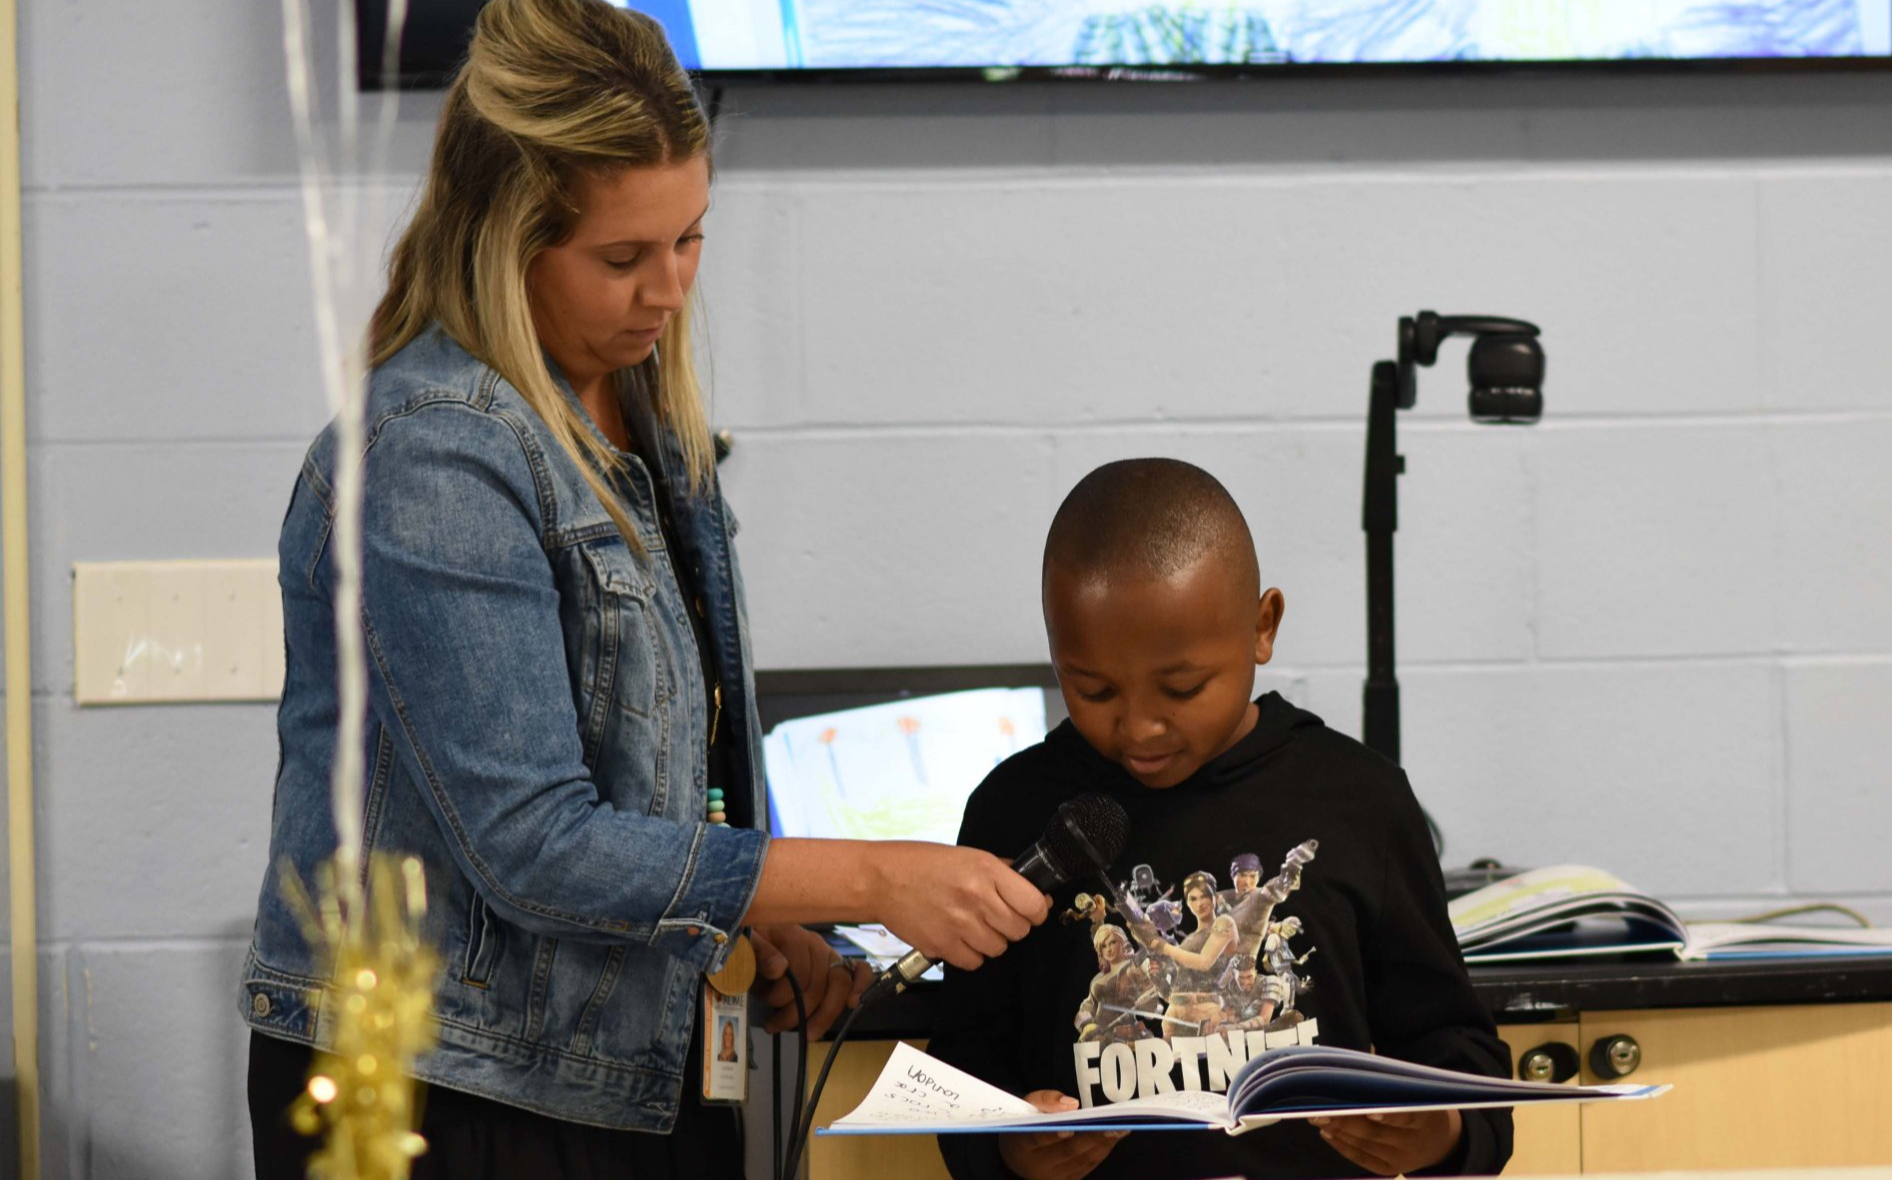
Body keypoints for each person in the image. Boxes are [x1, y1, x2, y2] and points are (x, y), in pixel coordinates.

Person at [238, 3, 1048, 1177]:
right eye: (621, 258)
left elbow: (669, 758)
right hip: (440, 1080)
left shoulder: (643, 418)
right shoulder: (433, 448)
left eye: (691, 240)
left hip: (622, 1064)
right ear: (501, 241)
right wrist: (872, 873)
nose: (667, 291)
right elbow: (534, 840)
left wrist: (766, 914)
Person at [928, 458, 1513, 1180]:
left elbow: (1460, 1054)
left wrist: (1445, 1137)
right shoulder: (1014, 809)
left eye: (1182, 688)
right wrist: (1011, 1151)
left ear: (1262, 627)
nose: (1139, 727)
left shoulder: (1360, 799)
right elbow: (960, 1073)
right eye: (1093, 688)